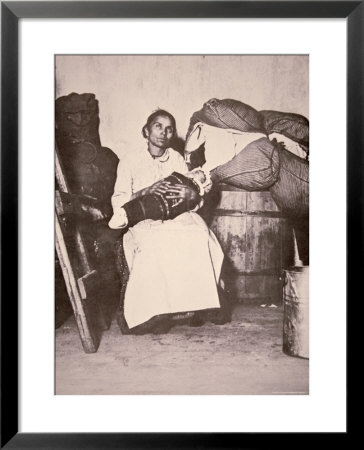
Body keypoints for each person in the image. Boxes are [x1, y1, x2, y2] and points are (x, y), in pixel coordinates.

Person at [109, 109, 225, 334]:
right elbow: (119, 199)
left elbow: (189, 191)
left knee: (198, 232)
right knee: (156, 240)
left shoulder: (176, 158)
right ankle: (154, 311)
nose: (163, 132)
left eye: (169, 128)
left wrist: (191, 197)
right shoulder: (130, 159)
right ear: (146, 130)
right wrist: (144, 192)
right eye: (158, 126)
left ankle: (196, 305)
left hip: (175, 214)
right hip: (142, 217)